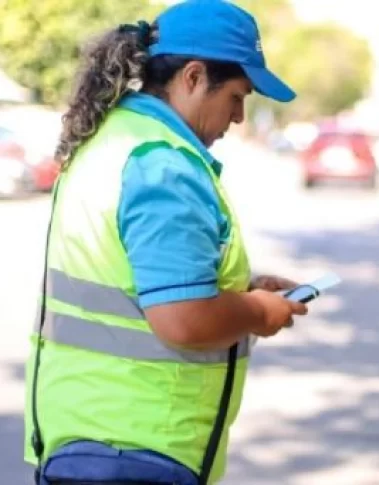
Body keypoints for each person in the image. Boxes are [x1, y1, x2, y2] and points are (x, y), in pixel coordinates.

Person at [24, 1, 308, 484]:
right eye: (237, 97)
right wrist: (259, 313)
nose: (239, 117)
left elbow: (130, 277)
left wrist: (240, 287)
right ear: (193, 77)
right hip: (141, 449)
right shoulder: (165, 164)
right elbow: (183, 319)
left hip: (82, 437)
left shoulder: (113, 139)